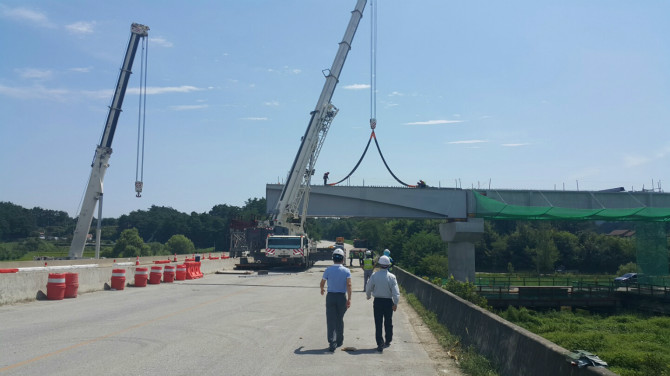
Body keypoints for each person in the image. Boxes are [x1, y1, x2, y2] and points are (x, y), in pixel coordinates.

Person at [366, 255, 400, 353]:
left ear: (380, 265)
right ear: (388, 265)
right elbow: (396, 292)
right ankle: (388, 340)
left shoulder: (374, 275)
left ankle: (379, 343)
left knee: (378, 322)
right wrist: (396, 303)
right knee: (388, 321)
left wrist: (368, 295)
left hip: (377, 301)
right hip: (388, 302)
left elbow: (368, 287)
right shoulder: (392, 277)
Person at [320, 248, 352, 352]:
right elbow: (349, 285)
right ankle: (339, 340)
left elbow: (322, 282)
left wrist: (322, 289)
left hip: (331, 297)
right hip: (341, 297)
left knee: (330, 320)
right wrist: (349, 299)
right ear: (343, 259)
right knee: (339, 318)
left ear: (333, 258)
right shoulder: (346, 271)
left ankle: (332, 342)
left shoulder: (328, 270)